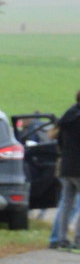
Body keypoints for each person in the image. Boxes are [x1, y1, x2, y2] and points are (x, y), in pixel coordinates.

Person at [51, 91, 80, 248]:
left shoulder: (67, 117)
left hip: (66, 166)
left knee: (66, 203)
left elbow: (60, 142)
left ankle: (61, 238)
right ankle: (78, 239)